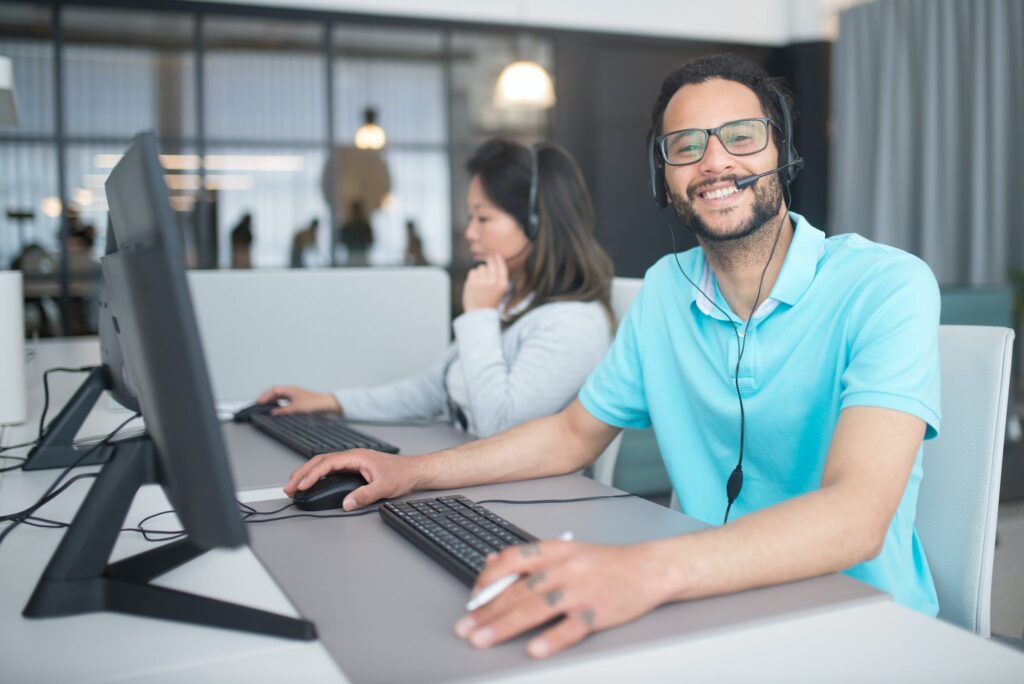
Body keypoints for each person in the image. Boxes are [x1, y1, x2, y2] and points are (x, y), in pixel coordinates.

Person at [282, 54, 943, 659]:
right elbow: (572, 434)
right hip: (706, 604)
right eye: (686, 146)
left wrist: (640, 569)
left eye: (741, 136)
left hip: (861, 627)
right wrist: (412, 474)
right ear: (666, 176)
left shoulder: (885, 285)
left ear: (784, 153)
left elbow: (858, 515)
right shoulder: (664, 291)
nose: (714, 163)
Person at [259, 139, 615, 438]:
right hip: (472, 476)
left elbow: (502, 428)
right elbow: (433, 389)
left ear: (537, 222)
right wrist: (331, 402)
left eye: (484, 218)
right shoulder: (513, 302)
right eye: (470, 217)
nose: (470, 232)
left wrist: (479, 315)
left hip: (526, 500)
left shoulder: (571, 323)